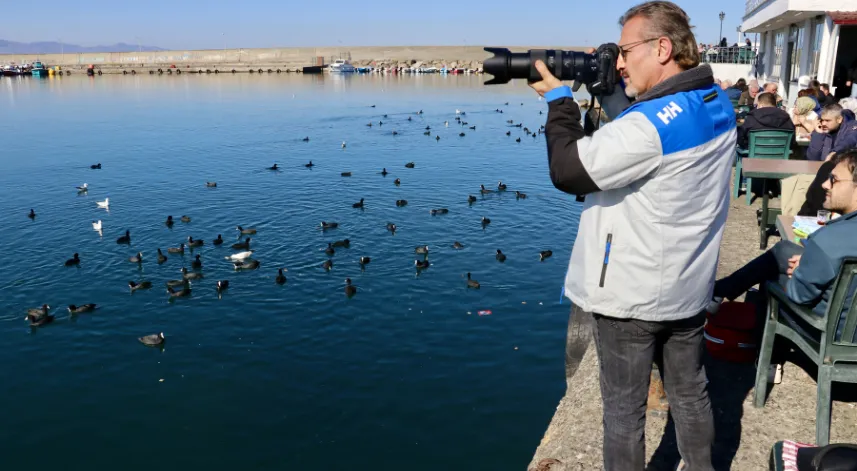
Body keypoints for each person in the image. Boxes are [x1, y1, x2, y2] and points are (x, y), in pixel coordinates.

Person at [529, 2, 730, 469]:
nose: (618, 63)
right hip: (688, 287)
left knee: (622, 413)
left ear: (662, 48)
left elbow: (568, 170)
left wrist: (560, 102)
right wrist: (612, 92)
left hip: (632, 297)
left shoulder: (646, 128)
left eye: (625, 51)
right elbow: (654, 130)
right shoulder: (713, 101)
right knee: (691, 394)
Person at [712, 151, 857, 340]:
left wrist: (800, 270)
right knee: (782, 251)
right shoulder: (835, 241)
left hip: (833, 334)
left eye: (833, 179)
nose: (824, 184)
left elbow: (799, 296)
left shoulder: (827, 240)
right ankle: (720, 290)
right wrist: (810, 263)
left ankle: (764, 358)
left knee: (772, 280)